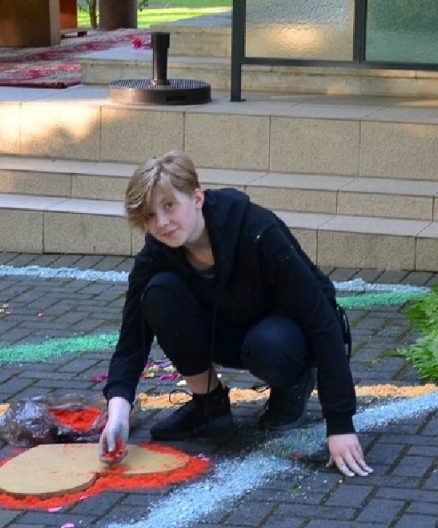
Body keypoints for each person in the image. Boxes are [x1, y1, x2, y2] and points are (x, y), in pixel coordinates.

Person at [96, 152, 374, 478]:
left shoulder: (257, 231)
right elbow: (132, 339)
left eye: (169, 206)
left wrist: (339, 425)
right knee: (158, 293)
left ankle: (293, 383)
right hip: (228, 332)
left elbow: (322, 320)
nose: (161, 223)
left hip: (286, 335)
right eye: (149, 215)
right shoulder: (157, 253)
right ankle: (209, 405)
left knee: (269, 344)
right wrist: (117, 414)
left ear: (197, 197)